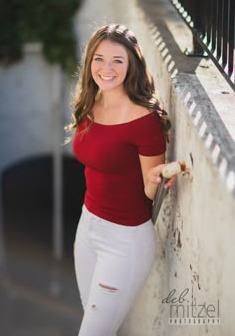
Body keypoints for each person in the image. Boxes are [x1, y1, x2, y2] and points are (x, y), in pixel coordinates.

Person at [68, 23, 176, 336]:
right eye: (99, 58)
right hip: (87, 228)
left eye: (118, 60)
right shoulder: (91, 103)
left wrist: (160, 176)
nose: (107, 68)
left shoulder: (144, 120)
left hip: (124, 241)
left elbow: (148, 188)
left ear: (132, 66)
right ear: (89, 62)